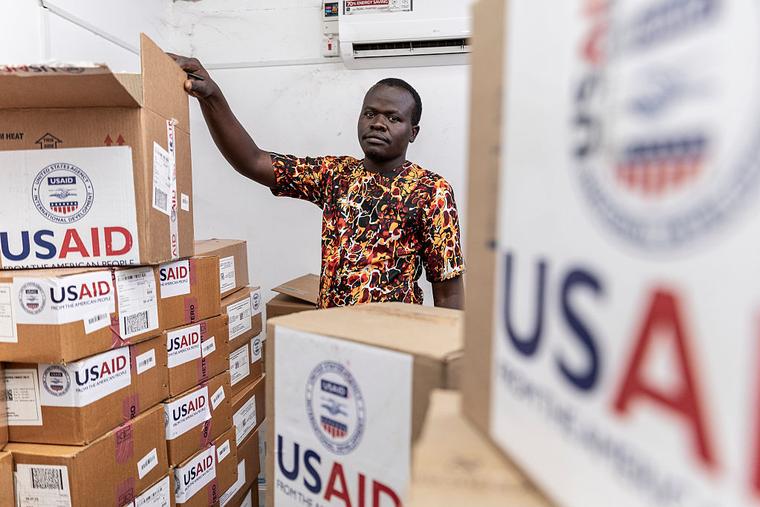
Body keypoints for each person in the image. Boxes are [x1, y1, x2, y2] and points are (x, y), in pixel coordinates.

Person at [169, 54, 465, 310]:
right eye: (370, 113)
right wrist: (212, 97)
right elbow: (253, 160)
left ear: (413, 132)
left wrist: (449, 365)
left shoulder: (431, 191)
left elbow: (448, 291)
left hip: (396, 345)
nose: (377, 123)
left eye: (393, 118)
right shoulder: (336, 175)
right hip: (331, 340)